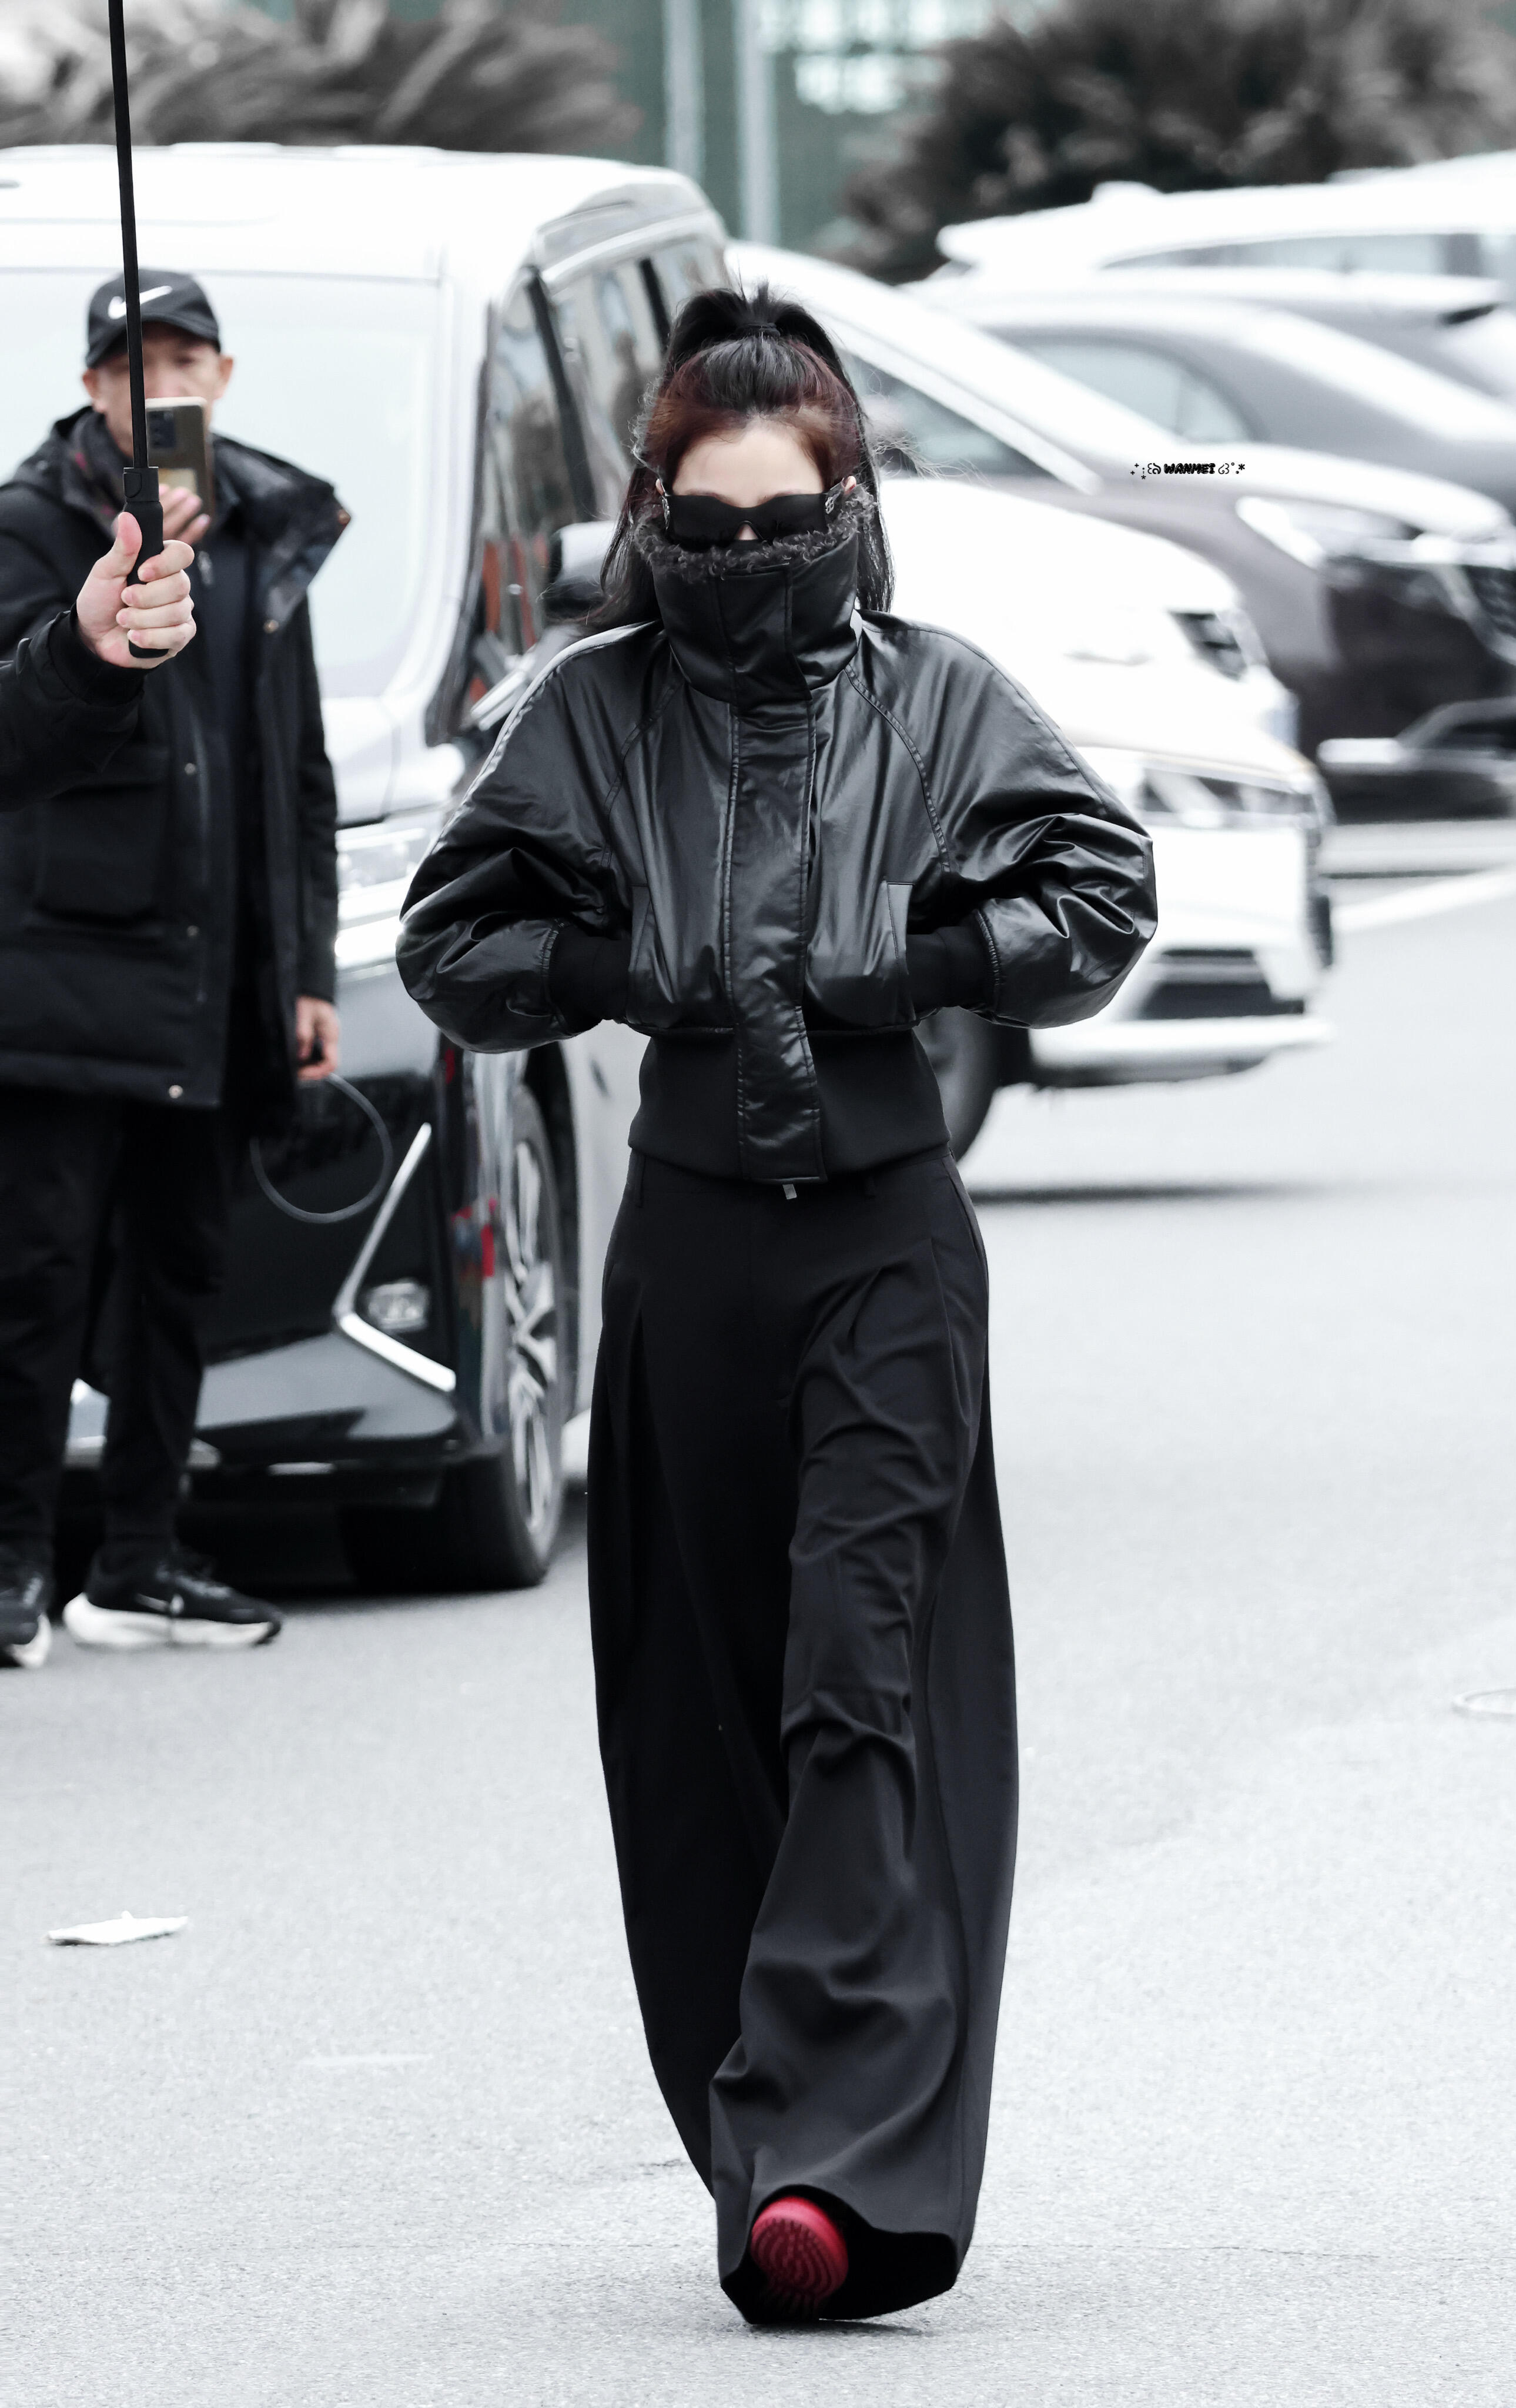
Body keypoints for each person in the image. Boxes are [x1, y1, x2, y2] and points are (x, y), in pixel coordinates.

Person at [398, 287, 1157, 2323]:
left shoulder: (942, 696)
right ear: (654, 512)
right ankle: (763, 2141)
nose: (744, 558)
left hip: (885, 1245)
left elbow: (1100, 895)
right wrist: (612, 958)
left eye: (783, 520)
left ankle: (838, 2149)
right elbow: (452, 938)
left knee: (854, 1667)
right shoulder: (585, 708)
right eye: (706, 523)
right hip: (692, 1251)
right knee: (704, 1701)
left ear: (849, 507)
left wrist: (922, 954)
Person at [0, 268, 346, 1672]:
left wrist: (306, 969)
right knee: (33, 1278)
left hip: (219, 972)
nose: (163, 387)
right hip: (65, 970)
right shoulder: (30, 524)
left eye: (186, 360)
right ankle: (11, 1565)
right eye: (132, 364)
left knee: (182, 1270)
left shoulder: (265, 530)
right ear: (91, 388)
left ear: (225, 376)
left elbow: (299, 768)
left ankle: (140, 1560)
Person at [1, 507, 199, 811]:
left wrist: (88, 649)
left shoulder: (258, 511)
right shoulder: (20, 518)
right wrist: (85, 656)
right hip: (98, 823)